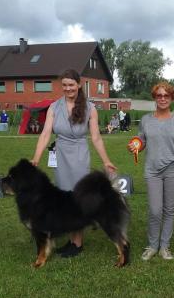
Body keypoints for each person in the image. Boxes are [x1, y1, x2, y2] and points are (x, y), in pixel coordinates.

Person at [31, 68, 117, 258]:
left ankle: (78, 243)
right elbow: (45, 134)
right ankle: (72, 240)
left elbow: (96, 138)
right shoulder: (54, 107)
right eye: (64, 85)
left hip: (79, 155)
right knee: (65, 199)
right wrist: (36, 158)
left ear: (79, 85)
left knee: (77, 198)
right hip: (61, 154)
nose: (68, 88)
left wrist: (107, 160)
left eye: (71, 84)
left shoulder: (90, 108)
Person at [127, 81, 174, 261]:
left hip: (173, 169)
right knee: (155, 210)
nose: (163, 98)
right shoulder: (145, 120)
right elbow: (141, 141)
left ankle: (164, 247)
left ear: (172, 98)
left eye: (166, 95)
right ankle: (152, 245)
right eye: (159, 95)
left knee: (169, 209)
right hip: (152, 171)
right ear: (154, 98)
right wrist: (135, 146)